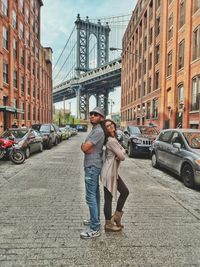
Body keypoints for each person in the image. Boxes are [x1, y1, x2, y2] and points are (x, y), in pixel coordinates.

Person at [80, 107, 105, 239]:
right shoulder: (94, 130)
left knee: (90, 197)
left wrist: (84, 146)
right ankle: (94, 219)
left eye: (96, 115)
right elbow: (86, 147)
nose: (92, 116)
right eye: (91, 114)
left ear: (101, 118)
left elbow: (85, 147)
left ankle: (94, 228)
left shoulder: (98, 131)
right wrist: (85, 147)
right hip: (92, 165)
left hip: (92, 166)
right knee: (95, 195)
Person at [101, 119, 129, 232]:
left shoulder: (114, 138)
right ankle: (108, 223)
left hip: (112, 171)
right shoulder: (111, 141)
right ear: (106, 130)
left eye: (111, 124)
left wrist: (122, 152)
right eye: (108, 126)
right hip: (109, 172)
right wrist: (122, 152)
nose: (111, 126)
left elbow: (122, 152)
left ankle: (117, 217)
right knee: (108, 198)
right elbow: (122, 156)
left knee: (125, 192)